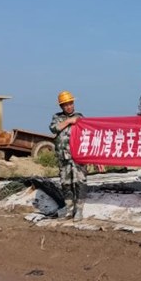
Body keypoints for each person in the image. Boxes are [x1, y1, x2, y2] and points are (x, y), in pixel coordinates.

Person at [49, 91, 87, 220]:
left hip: (78, 157)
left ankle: (79, 210)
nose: (69, 106)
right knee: (66, 184)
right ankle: (69, 209)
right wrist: (69, 121)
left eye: (70, 103)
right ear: (61, 106)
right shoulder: (57, 117)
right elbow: (54, 128)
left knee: (79, 183)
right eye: (66, 105)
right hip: (63, 157)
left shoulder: (79, 117)